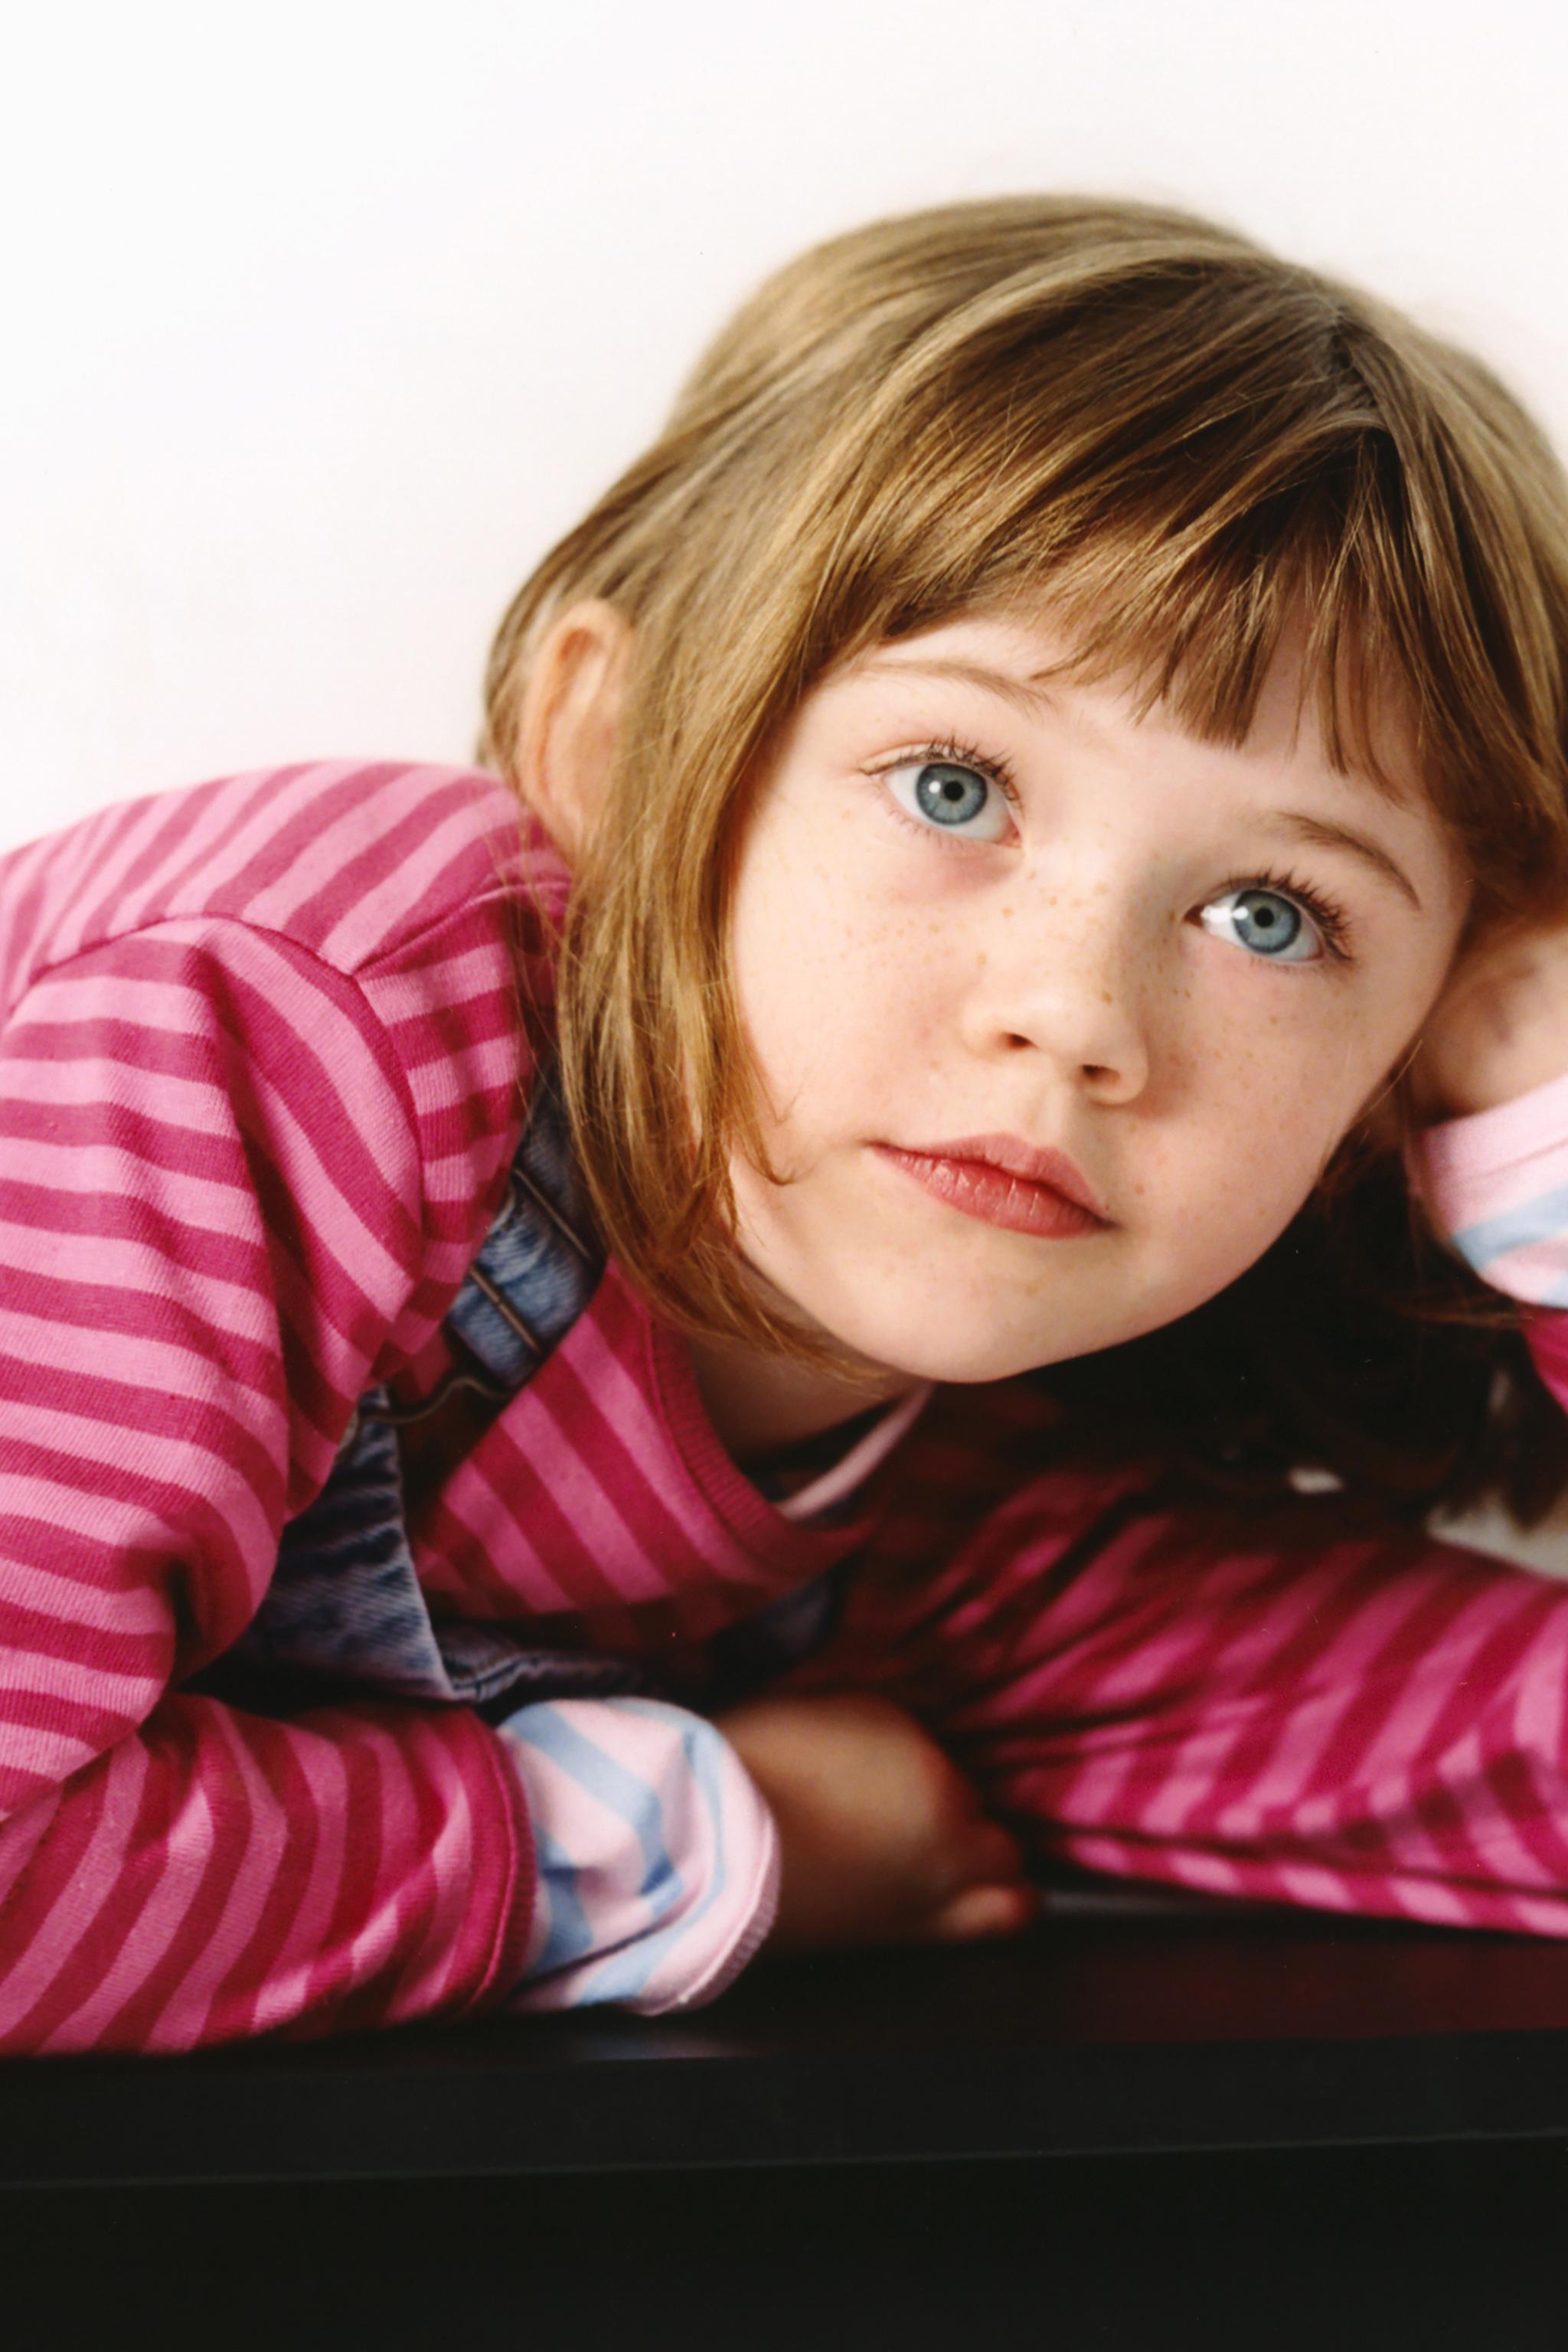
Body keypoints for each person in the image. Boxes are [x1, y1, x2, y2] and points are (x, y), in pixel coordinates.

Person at [5, 194, 1568, 2055]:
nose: (1071, 1015)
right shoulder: (307, 1014)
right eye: (950, 782)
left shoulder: (963, 1537)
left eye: (1272, 917)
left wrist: (1542, 1105)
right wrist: (678, 1845)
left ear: (1392, 1074)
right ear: (613, 746)